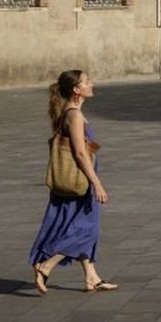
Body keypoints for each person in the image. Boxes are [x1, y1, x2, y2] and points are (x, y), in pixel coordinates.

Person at [29, 69, 118, 294]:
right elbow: (79, 153)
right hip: (80, 180)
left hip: (75, 179)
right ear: (77, 90)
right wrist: (96, 183)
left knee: (82, 225)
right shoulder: (74, 116)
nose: (92, 84)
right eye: (87, 82)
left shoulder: (69, 112)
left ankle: (92, 278)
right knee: (86, 230)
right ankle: (45, 266)